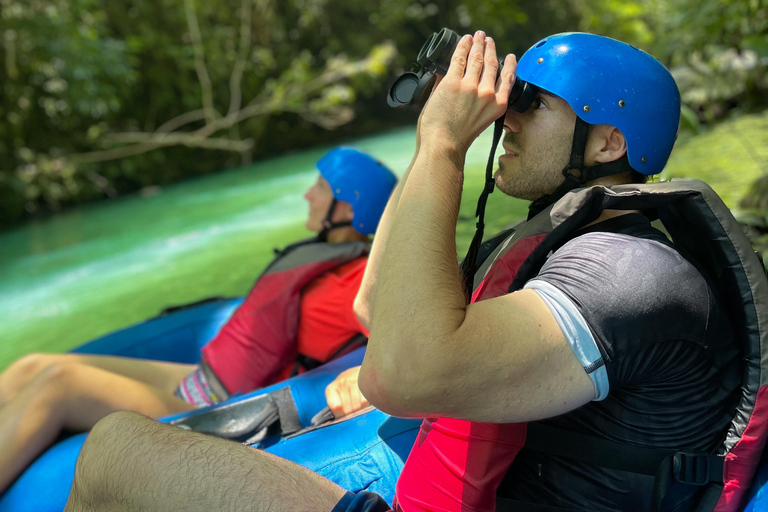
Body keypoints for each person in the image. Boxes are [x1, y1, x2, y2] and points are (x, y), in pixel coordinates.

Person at [62, 31, 755, 512]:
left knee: (115, 450)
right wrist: (433, 142)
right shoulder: (565, 246)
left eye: (531, 105)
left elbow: (400, 372)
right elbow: (376, 311)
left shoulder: (628, 274)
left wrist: (444, 144)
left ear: (608, 140)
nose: (505, 121)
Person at [0, 146, 397, 493]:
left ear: (348, 208)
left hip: (223, 404)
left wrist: (360, 372)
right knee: (31, 365)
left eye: (321, 187)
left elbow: (398, 336)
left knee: (59, 385)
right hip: (200, 377)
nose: (308, 194)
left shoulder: (354, 281)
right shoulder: (321, 254)